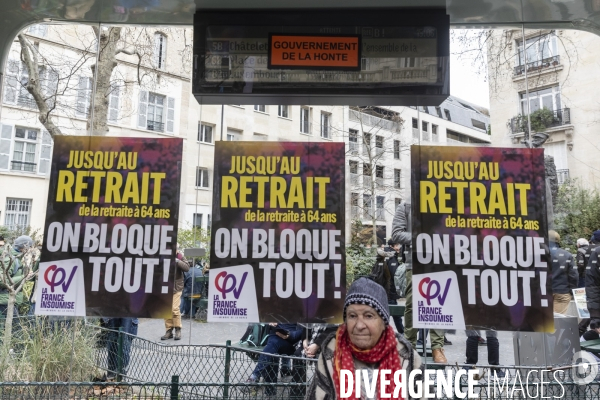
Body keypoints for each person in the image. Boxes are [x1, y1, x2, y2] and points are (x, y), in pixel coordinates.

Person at [306, 277, 422, 399]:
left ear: (384, 323)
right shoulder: (331, 353)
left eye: (368, 316)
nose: (359, 325)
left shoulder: (406, 357)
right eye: (352, 316)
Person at [391, 200, 447, 363]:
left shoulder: (442, 203)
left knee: (438, 304)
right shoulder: (406, 206)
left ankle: (437, 347)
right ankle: (410, 346)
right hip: (414, 262)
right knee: (412, 304)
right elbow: (396, 234)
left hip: (438, 260)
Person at [245, 322, 303, 397]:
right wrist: (269, 320)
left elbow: (304, 331)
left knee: (272, 346)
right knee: (273, 351)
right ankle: (269, 392)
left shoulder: (301, 311)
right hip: (275, 336)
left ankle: (255, 378)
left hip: (291, 342)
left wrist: (289, 335)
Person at [290, 324, 338, 399]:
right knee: (297, 356)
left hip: (326, 345)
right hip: (309, 344)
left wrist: (317, 345)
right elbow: (306, 326)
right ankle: (297, 394)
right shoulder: (312, 312)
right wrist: (305, 340)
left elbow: (334, 329)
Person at [0, 235, 34, 318]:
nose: (30, 249)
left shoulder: (17, 258)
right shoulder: (10, 259)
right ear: (23, 247)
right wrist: (23, 277)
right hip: (5, 302)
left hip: (9, 300)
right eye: (29, 247)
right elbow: (2, 281)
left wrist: (28, 276)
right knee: (15, 328)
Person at [161, 246, 190, 341]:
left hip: (176, 287)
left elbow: (187, 268)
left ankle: (178, 329)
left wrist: (177, 260)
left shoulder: (180, 256)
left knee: (174, 308)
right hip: (165, 286)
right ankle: (169, 330)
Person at [549, 230, 578, 315]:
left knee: (543, 321)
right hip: (562, 291)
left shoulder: (538, 254)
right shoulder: (567, 255)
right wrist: (572, 290)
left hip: (543, 291)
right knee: (558, 320)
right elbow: (574, 275)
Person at [383, 239, 404, 334]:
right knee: (394, 314)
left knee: (389, 313)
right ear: (392, 246)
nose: (398, 247)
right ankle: (402, 332)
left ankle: (400, 332)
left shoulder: (386, 255)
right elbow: (395, 274)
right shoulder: (391, 258)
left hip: (386, 289)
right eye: (397, 245)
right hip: (390, 290)